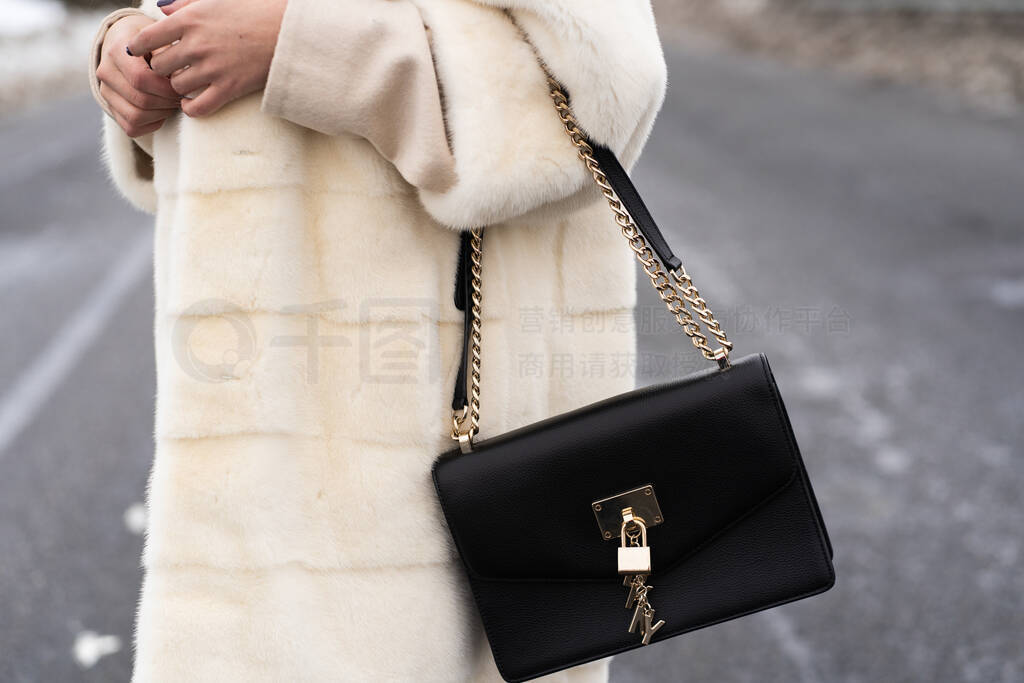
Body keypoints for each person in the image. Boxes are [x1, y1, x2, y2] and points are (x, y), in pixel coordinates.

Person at [88, 0, 668, 679]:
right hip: (242, 463)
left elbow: (599, 93)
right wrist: (133, 50)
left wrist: (303, 51)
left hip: (422, 476)